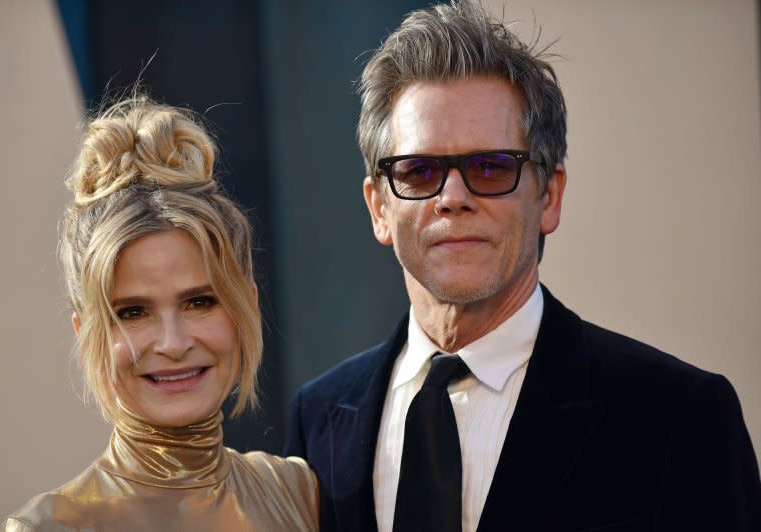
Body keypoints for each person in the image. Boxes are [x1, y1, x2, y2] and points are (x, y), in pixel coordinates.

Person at [284, 2, 761, 531]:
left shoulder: (681, 419)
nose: (453, 197)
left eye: (490, 166)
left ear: (550, 197)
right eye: (419, 171)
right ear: (379, 208)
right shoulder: (319, 417)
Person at [3, 96, 318, 532]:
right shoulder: (53, 525)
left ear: (246, 305)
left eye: (200, 302)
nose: (173, 343)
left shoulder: (296, 490)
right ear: (84, 332)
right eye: (132, 312)